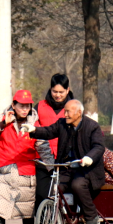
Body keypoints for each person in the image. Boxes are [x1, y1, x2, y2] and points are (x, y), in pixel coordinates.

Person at [0, 90, 53, 224]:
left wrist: (52, 167)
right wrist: (2, 124)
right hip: (2, 170)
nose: (25, 109)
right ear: (13, 105)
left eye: (27, 106)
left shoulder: (35, 123)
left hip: (25, 171)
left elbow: (43, 147)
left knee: (27, 210)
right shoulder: (3, 118)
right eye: (21, 105)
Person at [23, 99, 105, 224]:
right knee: (56, 188)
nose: (65, 114)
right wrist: (34, 130)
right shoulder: (62, 124)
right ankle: (63, 220)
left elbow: (99, 146)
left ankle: (91, 215)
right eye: (64, 111)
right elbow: (49, 131)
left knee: (77, 185)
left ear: (79, 112)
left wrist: (89, 157)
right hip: (66, 168)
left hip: (86, 170)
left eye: (68, 111)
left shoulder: (92, 126)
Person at [34, 74, 74, 209]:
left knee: (66, 196)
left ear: (68, 90)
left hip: (66, 160)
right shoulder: (39, 107)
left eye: (61, 92)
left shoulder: (75, 107)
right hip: (43, 160)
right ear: (50, 89)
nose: (58, 95)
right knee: (41, 194)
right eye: (54, 91)